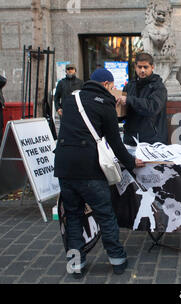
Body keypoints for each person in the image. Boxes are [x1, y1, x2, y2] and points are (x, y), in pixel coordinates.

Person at [54, 68, 145, 279]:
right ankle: (117, 260)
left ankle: (76, 265)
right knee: (105, 214)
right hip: (89, 169)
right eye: (111, 87)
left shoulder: (70, 100)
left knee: (73, 216)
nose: (113, 90)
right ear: (106, 85)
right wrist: (131, 162)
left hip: (64, 167)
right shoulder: (105, 105)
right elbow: (115, 143)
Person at [117, 53, 168, 145]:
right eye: (139, 67)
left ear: (152, 67)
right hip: (131, 140)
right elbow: (122, 114)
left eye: (145, 67)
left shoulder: (159, 87)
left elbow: (152, 107)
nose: (142, 70)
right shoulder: (129, 86)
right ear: (135, 67)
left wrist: (129, 100)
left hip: (152, 141)